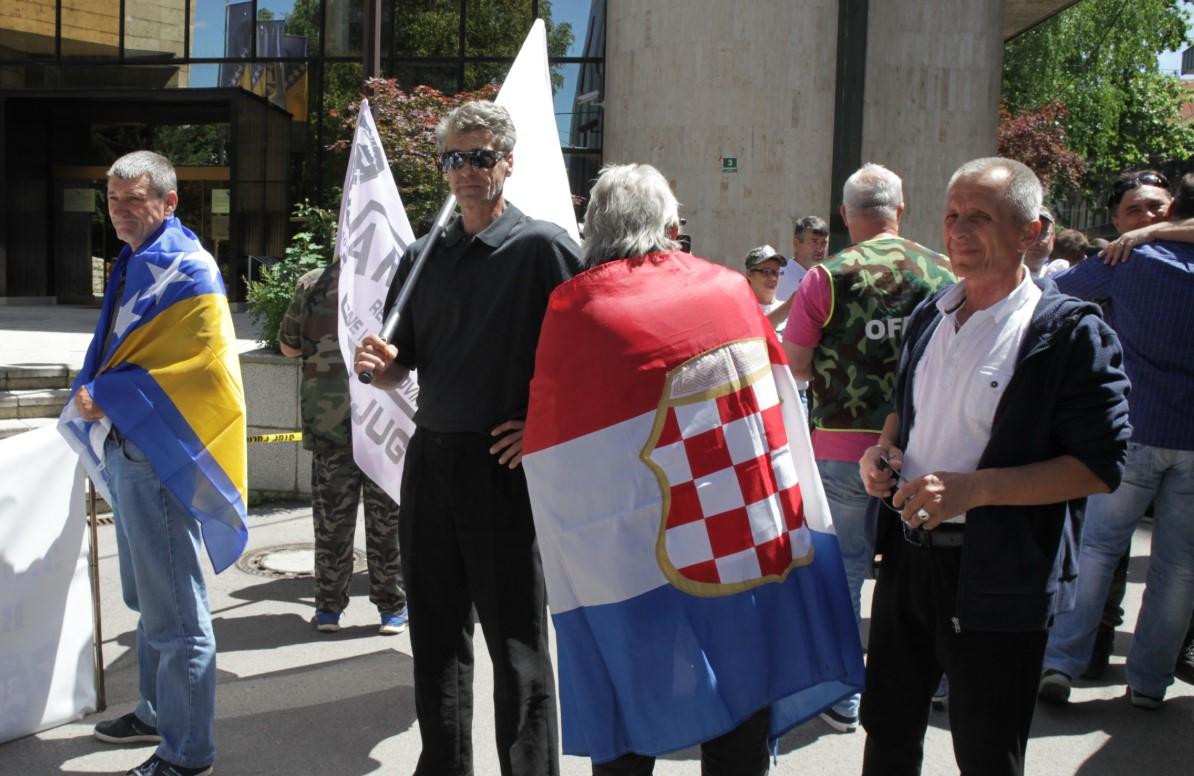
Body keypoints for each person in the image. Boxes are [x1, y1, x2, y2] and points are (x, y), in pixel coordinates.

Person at [521, 162, 863, 776]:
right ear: (671, 226)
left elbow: (552, 442)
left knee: (632, 679)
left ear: (593, 228)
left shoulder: (574, 310)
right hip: (734, 539)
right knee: (743, 683)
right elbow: (770, 409)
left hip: (623, 554)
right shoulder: (726, 289)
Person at [857, 157, 1130, 776]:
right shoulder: (931, 313)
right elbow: (907, 412)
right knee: (889, 726)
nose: (958, 230)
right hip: (908, 559)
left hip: (998, 576)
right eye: (952, 215)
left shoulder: (1067, 332)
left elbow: (1100, 465)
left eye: (980, 217)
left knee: (985, 749)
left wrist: (975, 491)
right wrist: (885, 451)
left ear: (1032, 232)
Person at [353, 101, 581, 776]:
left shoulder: (543, 247)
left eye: (482, 156)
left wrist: (544, 424)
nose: (468, 171)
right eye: (456, 158)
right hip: (431, 462)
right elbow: (406, 361)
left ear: (508, 162)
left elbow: (588, 356)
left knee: (517, 647)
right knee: (435, 637)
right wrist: (380, 365)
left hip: (501, 469)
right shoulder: (425, 257)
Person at [76, 151, 248, 776]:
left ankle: (186, 754)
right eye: (112, 199)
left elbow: (202, 370)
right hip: (131, 450)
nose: (119, 211)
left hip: (161, 455)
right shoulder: (136, 260)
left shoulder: (187, 266)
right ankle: (153, 711)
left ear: (169, 202)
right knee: (146, 596)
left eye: (133, 200)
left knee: (176, 610)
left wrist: (111, 393)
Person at [782, 162, 955, 733]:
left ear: (845, 215)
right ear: (900, 210)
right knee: (928, 564)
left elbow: (797, 365)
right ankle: (940, 681)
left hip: (840, 444)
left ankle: (843, 695)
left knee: (848, 565)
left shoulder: (826, 278)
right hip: (928, 442)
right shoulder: (944, 271)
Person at [1039, 173, 1194, 708]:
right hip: (1184, 439)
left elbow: (1050, 296)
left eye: (1157, 209)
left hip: (1136, 429)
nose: (1149, 219)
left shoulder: (1129, 261)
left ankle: (1061, 661)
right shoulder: (1141, 257)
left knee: (1098, 549)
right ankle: (1149, 683)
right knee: (1178, 566)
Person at [278, 260, 408, 635]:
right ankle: (392, 609)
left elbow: (288, 347)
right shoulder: (394, 281)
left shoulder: (313, 283)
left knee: (332, 522)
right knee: (388, 522)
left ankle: (329, 610)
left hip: (329, 421)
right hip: (384, 424)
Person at [770, 215, 830, 320]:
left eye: (824, 243)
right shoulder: (777, 277)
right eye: (814, 241)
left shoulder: (827, 279)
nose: (820, 248)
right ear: (796, 243)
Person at [743, 244, 789, 331]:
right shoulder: (741, 309)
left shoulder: (790, 312)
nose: (773, 278)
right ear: (749, 274)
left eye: (776, 271)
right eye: (766, 271)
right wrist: (789, 306)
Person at [1023, 206, 1055, 276]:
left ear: (1053, 239)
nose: (1035, 240)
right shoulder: (1001, 279)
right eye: (1029, 232)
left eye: (1043, 233)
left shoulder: (1059, 279)